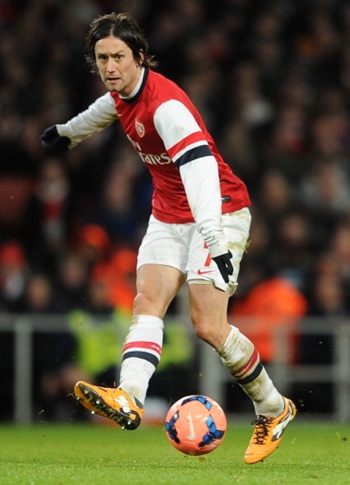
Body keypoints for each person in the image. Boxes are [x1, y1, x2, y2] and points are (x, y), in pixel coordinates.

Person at [40, 12, 296, 464]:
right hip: (168, 214)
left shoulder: (168, 108)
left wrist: (214, 238)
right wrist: (68, 134)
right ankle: (129, 397)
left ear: (140, 57)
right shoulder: (123, 94)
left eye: (118, 56)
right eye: (102, 58)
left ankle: (274, 408)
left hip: (219, 210)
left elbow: (200, 172)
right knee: (147, 300)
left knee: (208, 326)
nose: (110, 66)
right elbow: (105, 110)